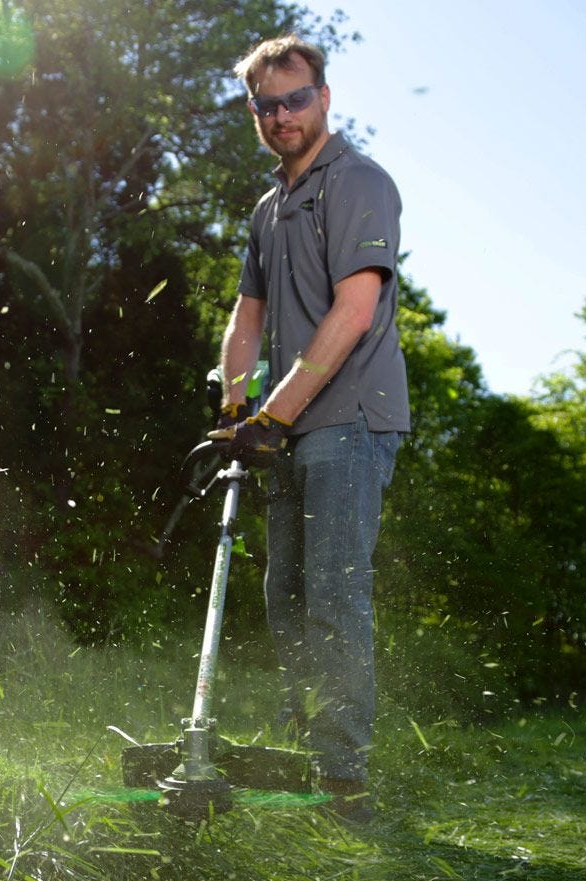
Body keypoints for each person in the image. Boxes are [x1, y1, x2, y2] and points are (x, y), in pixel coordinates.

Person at [208, 35, 410, 822]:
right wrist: (233, 408)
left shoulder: (358, 181)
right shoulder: (268, 208)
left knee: (331, 594)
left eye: (294, 99)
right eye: (266, 105)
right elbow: (246, 317)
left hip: (351, 419)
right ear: (254, 113)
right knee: (284, 597)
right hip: (286, 427)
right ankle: (311, 755)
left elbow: (355, 312)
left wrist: (273, 412)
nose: (281, 115)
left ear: (324, 97)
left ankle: (345, 781)